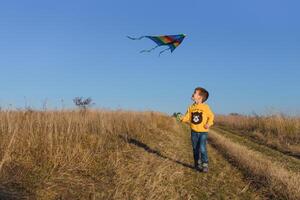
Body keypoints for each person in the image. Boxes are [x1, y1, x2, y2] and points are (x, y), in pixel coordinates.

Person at [179, 87, 214, 173]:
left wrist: (208, 124)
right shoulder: (191, 107)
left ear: (200, 97)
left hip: (203, 132)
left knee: (202, 148)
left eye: (195, 93)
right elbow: (187, 117)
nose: (193, 94)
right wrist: (181, 118)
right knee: (195, 148)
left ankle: (205, 164)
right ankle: (197, 163)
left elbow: (211, 116)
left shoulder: (205, 107)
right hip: (194, 131)